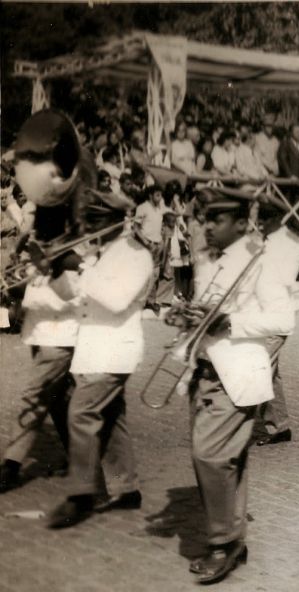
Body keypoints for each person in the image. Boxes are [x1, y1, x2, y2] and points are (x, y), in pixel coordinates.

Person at [181, 188, 294, 584]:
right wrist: (188, 320)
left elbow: (283, 318)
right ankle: (233, 542)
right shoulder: (208, 261)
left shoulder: (260, 262)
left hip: (237, 376)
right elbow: (206, 311)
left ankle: (222, 543)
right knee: (227, 461)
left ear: (241, 223)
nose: (207, 226)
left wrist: (231, 324)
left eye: (217, 219)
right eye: (206, 218)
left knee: (209, 456)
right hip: (205, 371)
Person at [46, 190, 152, 528]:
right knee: (110, 418)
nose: (89, 226)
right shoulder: (99, 255)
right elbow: (75, 300)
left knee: (80, 413)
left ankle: (82, 495)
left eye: (97, 220)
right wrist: (53, 271)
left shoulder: (136, 255)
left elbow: (117, 300)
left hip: (115, 351)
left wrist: (80, 266)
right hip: (93, 350)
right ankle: (127, 487)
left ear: (120, 222)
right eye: (89, 219)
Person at [0, 264, 78, 492]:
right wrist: (16, 287)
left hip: (60, 338)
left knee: (34, 397)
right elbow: (36, 287)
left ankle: (10, 466)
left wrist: (23, 294)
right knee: (58, 400)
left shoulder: (73, 260)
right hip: (39, 334)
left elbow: (66, 298)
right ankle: (79, 457)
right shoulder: (46, 256)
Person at [251, 194, 299, 447]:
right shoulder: (265, 241)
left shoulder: (290, 244)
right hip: (260, 317)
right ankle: (279, 426)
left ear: (275, 218)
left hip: (276, 317)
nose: (258, 225)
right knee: (271, 374)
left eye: (263, 220)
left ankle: (238, 428)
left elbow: (284, 279)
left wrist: (262, 252)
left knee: (257, 370)